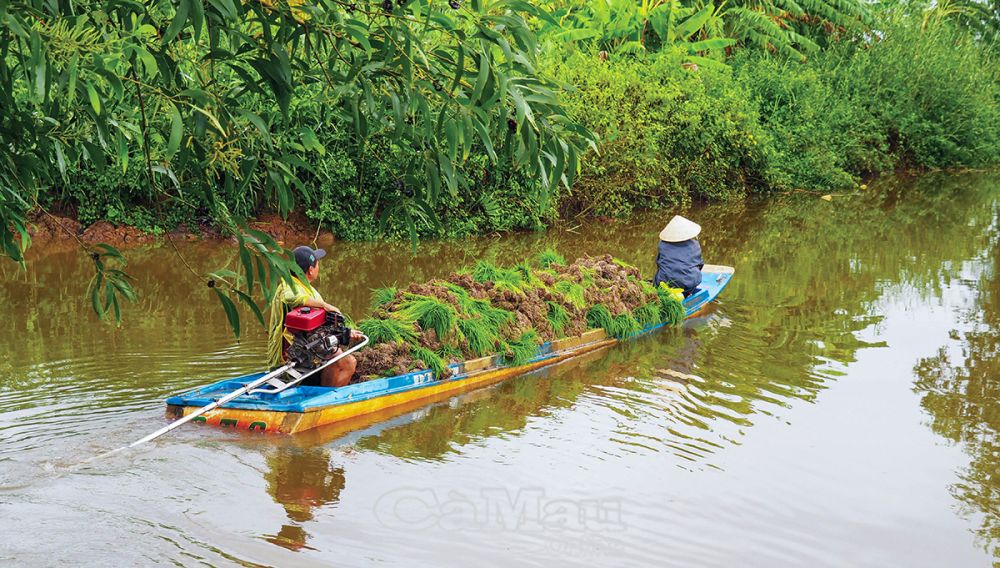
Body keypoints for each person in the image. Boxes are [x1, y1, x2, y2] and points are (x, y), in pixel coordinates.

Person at [267, 245, 361, 387]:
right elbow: (291, 297)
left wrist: (347, 332)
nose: (319, 267)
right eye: (317, 264)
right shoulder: (288, 286)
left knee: (340, 356)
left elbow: (323, 323)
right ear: (310, 270)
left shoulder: (309, 290)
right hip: (290, 356)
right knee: (348, 363)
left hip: (311, 349)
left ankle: (322, 389)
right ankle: (325, 399)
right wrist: (325, 305)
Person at [653, 215, 704, 297]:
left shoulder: (662, 244)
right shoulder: (695, 244)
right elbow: (700, 264)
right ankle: (688, 293)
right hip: (689, 284)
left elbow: (659, 263)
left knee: (658, 275)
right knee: (694, 276)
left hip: (665, 283)